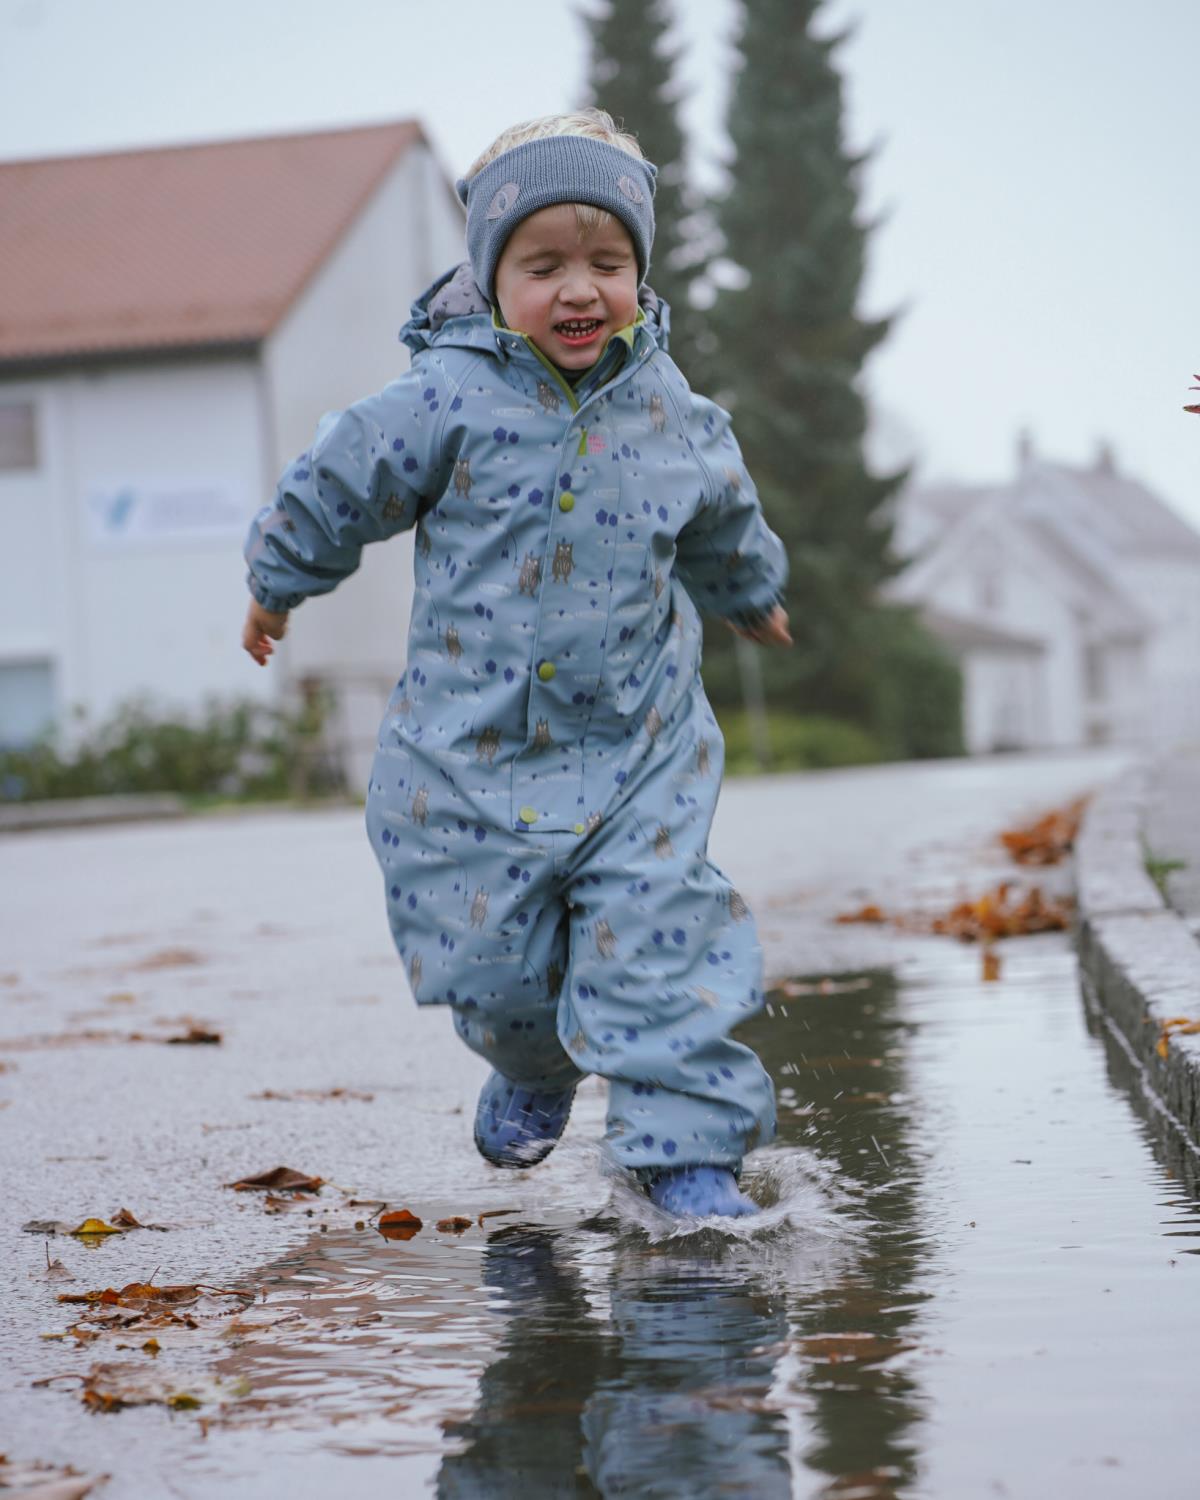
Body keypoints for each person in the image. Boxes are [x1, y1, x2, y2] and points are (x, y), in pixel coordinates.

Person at [241, 109, 791, 1218]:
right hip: (469, 762)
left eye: (608, 262)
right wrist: (277, 578)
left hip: (638, 752)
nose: (580, 290)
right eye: (545, 265)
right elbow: (338, 482)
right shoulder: (444, 399)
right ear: (491, 278)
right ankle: (535, 1068)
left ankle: (683, 1155)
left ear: (640, 270)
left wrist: (750, 590)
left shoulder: (671, 409)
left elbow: (722, 513)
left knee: (658, 944)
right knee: (494, 977)